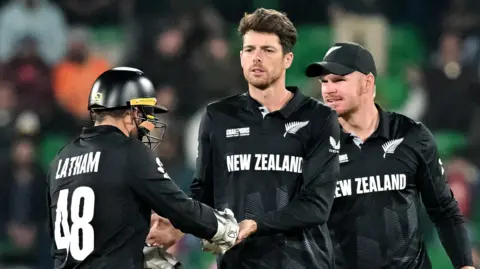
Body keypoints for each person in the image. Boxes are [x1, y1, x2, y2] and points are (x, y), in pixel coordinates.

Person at [150, 8, 341, 269]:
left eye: (268, 50)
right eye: (250, 50)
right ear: (240, 57)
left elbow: (317, 206)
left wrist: (257, 224)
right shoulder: (217, 117)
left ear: (288, 59)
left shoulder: (318, 118)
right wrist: (180, 225)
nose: (257, 58)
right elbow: (204, 194)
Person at [45, 67, 242, 269]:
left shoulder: (60, 159)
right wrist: (225, 228)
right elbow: (180, 208)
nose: (147, 124)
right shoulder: (128, 151)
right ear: (131, 114)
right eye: (144, 114)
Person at [305, 42, 475, 269]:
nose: (328, 90)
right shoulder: (315, 149)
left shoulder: (412, 136)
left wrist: (465, 265)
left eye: (339, 80)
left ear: (367, 83)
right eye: (324, 82)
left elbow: (444, 210)